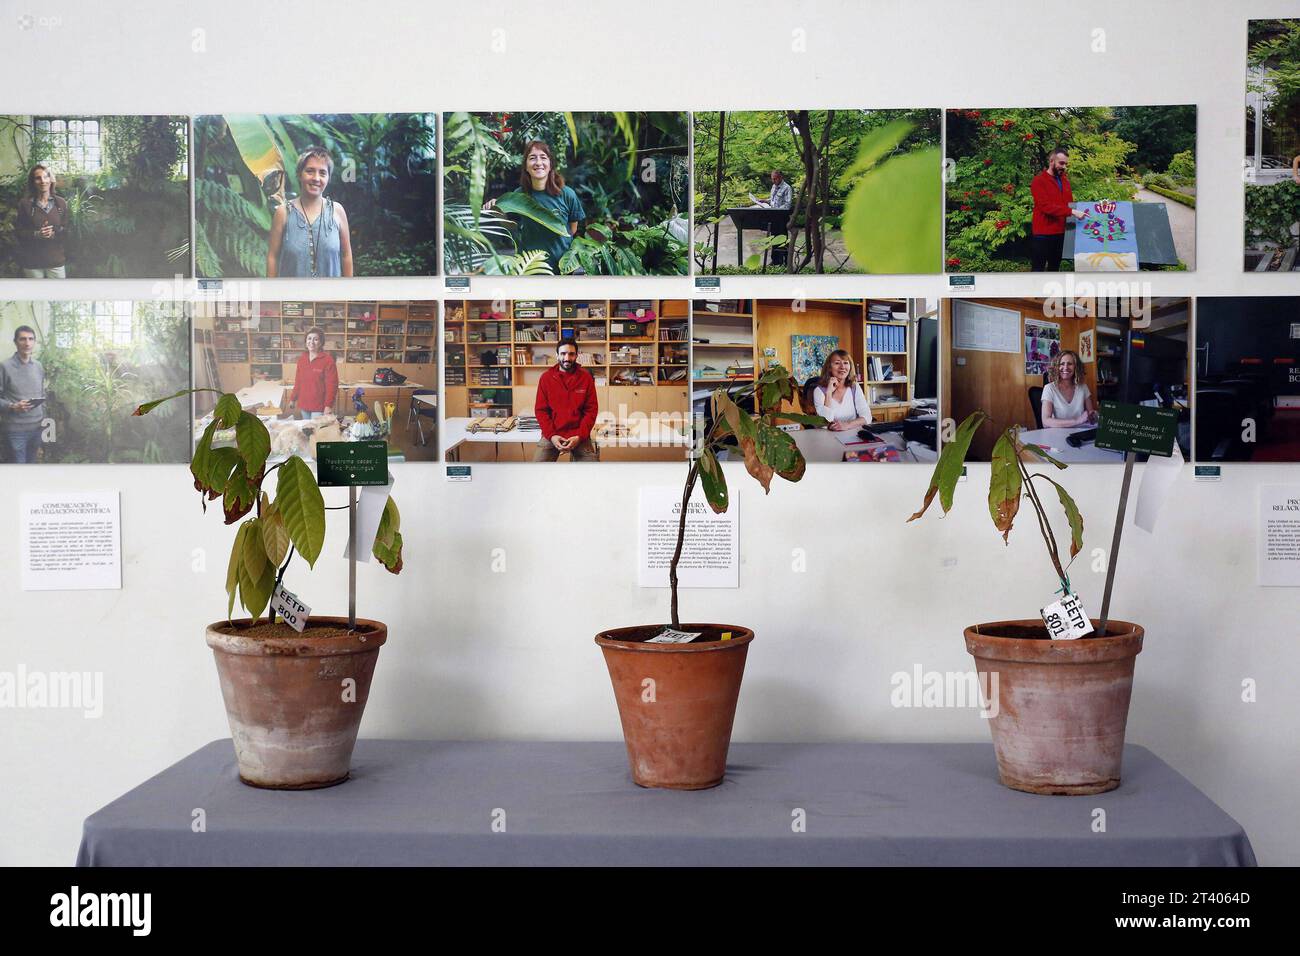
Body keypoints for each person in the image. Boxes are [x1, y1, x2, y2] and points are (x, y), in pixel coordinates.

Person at [483, 140, 584, 270]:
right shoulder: (519, 195)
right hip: (528, 266)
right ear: (526, 166)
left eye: (543, 157)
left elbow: (572, 230)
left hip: (561, 268)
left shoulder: (567, 194)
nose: (538, 163)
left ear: (550, 164)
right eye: (532, 158)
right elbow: (512, 226)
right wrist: (498, 212)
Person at [267, 147, 353, 277]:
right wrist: (272, 294)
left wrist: (348, 294)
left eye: (322, 173)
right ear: (299, 174)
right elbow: (272, 257)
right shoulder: (283, 212)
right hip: (292, 296)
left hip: (332, 296)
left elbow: (346, 256)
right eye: (310, 171)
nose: (316, 178)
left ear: (328, 178)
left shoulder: (337, 211)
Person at [534, 338, 598, 461]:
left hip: (579, 434)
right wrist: (552, 436)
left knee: (592, 474)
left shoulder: (586, 378)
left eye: (571, 354)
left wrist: (579, 436)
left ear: (576, 355)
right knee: (536, 473)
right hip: (552, 434)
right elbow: (541, 411)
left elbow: (591, 411)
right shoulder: (546, 378)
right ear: (557, 355)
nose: (567, 358)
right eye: (563, 354)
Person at [1029, 148, 1088, 272]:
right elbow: (1045, 206)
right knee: (1037, 269)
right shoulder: (1038, 181)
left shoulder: (1065, 181)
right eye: (1061, 163)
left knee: (1054, 268)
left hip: (1061, 232)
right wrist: (1072, 212)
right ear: (1051, 161)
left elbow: (1069, 204)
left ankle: (1051, 291)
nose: (1064, 166)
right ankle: (1034, 291)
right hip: (1043, 234)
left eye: (1066, 164)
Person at [0, 325, 47, 462]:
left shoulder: (38, 366)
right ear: (15, 342)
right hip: (15, 431)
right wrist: (13, 406)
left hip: (37, 429)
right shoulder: (5, 367)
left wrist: (44, 423)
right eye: (22, 339)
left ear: (34, 342)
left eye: (30, 339)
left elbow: (42, 395)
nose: (27, 343)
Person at [15, 165, 69, 278]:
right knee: (35, 295)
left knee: (59, 295)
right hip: (32, 262)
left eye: (46, 177)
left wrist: (54, 233)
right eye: (38, 178)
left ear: (51, 179)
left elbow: (67, 231)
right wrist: (37, 234)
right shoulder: (24, 204)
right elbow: (19, 232)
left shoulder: (61, 203)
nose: (42, 181)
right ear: (33, 182)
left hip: (55, 260)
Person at [286, 327, 338, 419]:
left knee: (317, 430)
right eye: (309, 338)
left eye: (316, 339)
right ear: (306, 341)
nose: (312, 342)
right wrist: (293, 399)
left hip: (319, 405)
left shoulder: (328, 361)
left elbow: (332, 385)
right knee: (307, 430)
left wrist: (328, 405)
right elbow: (298, 382)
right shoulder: (302, 359)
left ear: (321, 342)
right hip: (304, 403)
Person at [812, 349, 871, 431]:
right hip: (828, 437)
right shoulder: (819, 391)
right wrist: (828, 393)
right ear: (829, 368)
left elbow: (867, 417)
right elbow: (824, 423)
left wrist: (847, 425)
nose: (842, 367)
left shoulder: (854, 387)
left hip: (852, 435)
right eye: (837, 363)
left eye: (846, 363)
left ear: (850, 367)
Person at [1040, 349, 1096, 429]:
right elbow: (1045, 422)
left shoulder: (1083, 387)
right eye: (1062, 364)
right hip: (1057, 435)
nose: (1065, 367)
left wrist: (1094, 416)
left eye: (1070, 364)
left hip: (1079, 434)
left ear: (1076, 367)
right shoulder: (1049, 388)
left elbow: (1091, 415)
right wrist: (1077, 421)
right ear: (1056, 367)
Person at [763, 169, 793, 266]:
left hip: (782, 217)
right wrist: (764, 201)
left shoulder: (787, 188)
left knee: (782, 239)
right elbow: (773, 200)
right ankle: (775, 261)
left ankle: (786, 261)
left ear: (780, 177)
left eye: (775, 179)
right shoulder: (773, 186)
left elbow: (787, 204)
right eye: (772, 179)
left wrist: (777, 210)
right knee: (774, 239)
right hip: (773, 217)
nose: (773, 181)